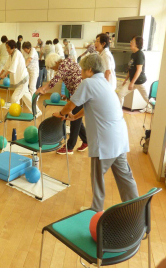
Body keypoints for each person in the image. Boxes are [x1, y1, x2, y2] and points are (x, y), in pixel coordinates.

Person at [53, 54, 139, 212]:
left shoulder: (88, 83)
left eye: (82, 69)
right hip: (119, 137)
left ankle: (96, 210)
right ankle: (135, 210)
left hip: (105, 140)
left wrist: (62, 113)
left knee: (97, 177)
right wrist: (75, 117)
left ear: (89, 70)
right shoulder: (104, 83)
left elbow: (71, 105)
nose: (80, 72)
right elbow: (92, 106)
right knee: (125, 178)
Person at [37, 53, 88, 154]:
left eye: (53, 67)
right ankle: (86, 141)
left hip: (80, 95)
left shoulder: (63, 64)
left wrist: (43, 89)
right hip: (77, 94)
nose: (54, 69)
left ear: (56, 62)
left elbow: (54, 80)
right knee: (76, 119)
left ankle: (69, 147)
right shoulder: (67, 62)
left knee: (74, 121)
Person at [0, 40, 34, 113]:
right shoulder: (11, 55)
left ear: (13, 47)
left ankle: (16, 112)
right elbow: (6, 66)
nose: (7, 50)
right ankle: (37, 112)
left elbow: (12, 67)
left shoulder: (17, 54)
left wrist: (4, 75)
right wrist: (0, 73)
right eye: (6, 48)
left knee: (14, 98)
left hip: (23, 80)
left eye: (8, 48)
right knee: (27, 98)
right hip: (21, 80)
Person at [117, 36, 151, 113]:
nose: (130, 43)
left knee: (147, 98)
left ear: (137, 44)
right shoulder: (133, 54)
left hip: (139, 81)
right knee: (120, 94)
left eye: (132, 41)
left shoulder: (140, 54)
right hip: (131, 80)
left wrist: (132, 83)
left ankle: (154, 109)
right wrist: (126, 80)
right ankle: (119, 113)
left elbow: (139, 70)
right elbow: (130, 68)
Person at [22, 41, 42, 116]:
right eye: (24, 49)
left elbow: (29, 60)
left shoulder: (33, 51)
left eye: (26, 49)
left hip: (34, 71)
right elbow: (23, 59)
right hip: (27, 70)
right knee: (26, 86)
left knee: (32, 86)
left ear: (29, 48)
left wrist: (23, 67)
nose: (25, 51)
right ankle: (31, 98)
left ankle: (34, 100)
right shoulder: (24, 52)